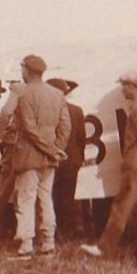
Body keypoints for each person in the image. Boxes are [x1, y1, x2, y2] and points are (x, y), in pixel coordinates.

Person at [0, 55, 70, 259]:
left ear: (25, 70)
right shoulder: (57, 94)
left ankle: (26, 243)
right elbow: (65, 125)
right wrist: (56, 149)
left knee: (25, 199)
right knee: (45, 199)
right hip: (49, 159)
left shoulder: (22, 92)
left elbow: (16, 121)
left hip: (28, 154)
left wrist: (2, 136)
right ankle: (48, 241)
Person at [81, 72, 137, 259]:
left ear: (132, 86)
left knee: (122, 206)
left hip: (136, 163)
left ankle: (106, 246)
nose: (122, 90)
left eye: (124, 86)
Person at [49, 77, 86, 240]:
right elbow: (81, 138)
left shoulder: (46, 111)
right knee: (68, 197)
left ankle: (57, 231)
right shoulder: (77, 110)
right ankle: (71, 229)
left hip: (52, 160)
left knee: (52, 196)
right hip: (72, 161)